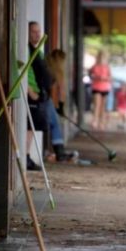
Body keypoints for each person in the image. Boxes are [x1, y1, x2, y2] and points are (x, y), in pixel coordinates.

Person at [26, 21, 52, 170]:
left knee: (33, 127)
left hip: (39, 94)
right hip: (31, 94)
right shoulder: (26, 51)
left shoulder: (38, 52)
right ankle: (26, 156)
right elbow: (22, 72)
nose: (37, 35)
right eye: (33, 32)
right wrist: (30, 91)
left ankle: (27, 156)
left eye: (38, 31)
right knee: (29, 127)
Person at [45, 49, 77, 162]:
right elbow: (61, 92)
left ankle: (58, 151)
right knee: (55, 124)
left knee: (53, 124)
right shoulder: (58, 72)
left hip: (45, 99)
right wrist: (61, 106)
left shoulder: (48, 67)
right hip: (47, 101)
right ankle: (60, 152)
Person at [89, 50, 112, 130]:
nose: (102, 58)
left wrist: (105, 78)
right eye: (100, 56)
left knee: (103, 106)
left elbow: (110, 77)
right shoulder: (94, 66)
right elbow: (90, 75)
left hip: (105, 87)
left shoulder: (107, 67)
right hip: (96, 87)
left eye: (103, 57)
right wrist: (96, 77)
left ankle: (101, 122)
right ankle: (95, 120)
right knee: (97, 105)